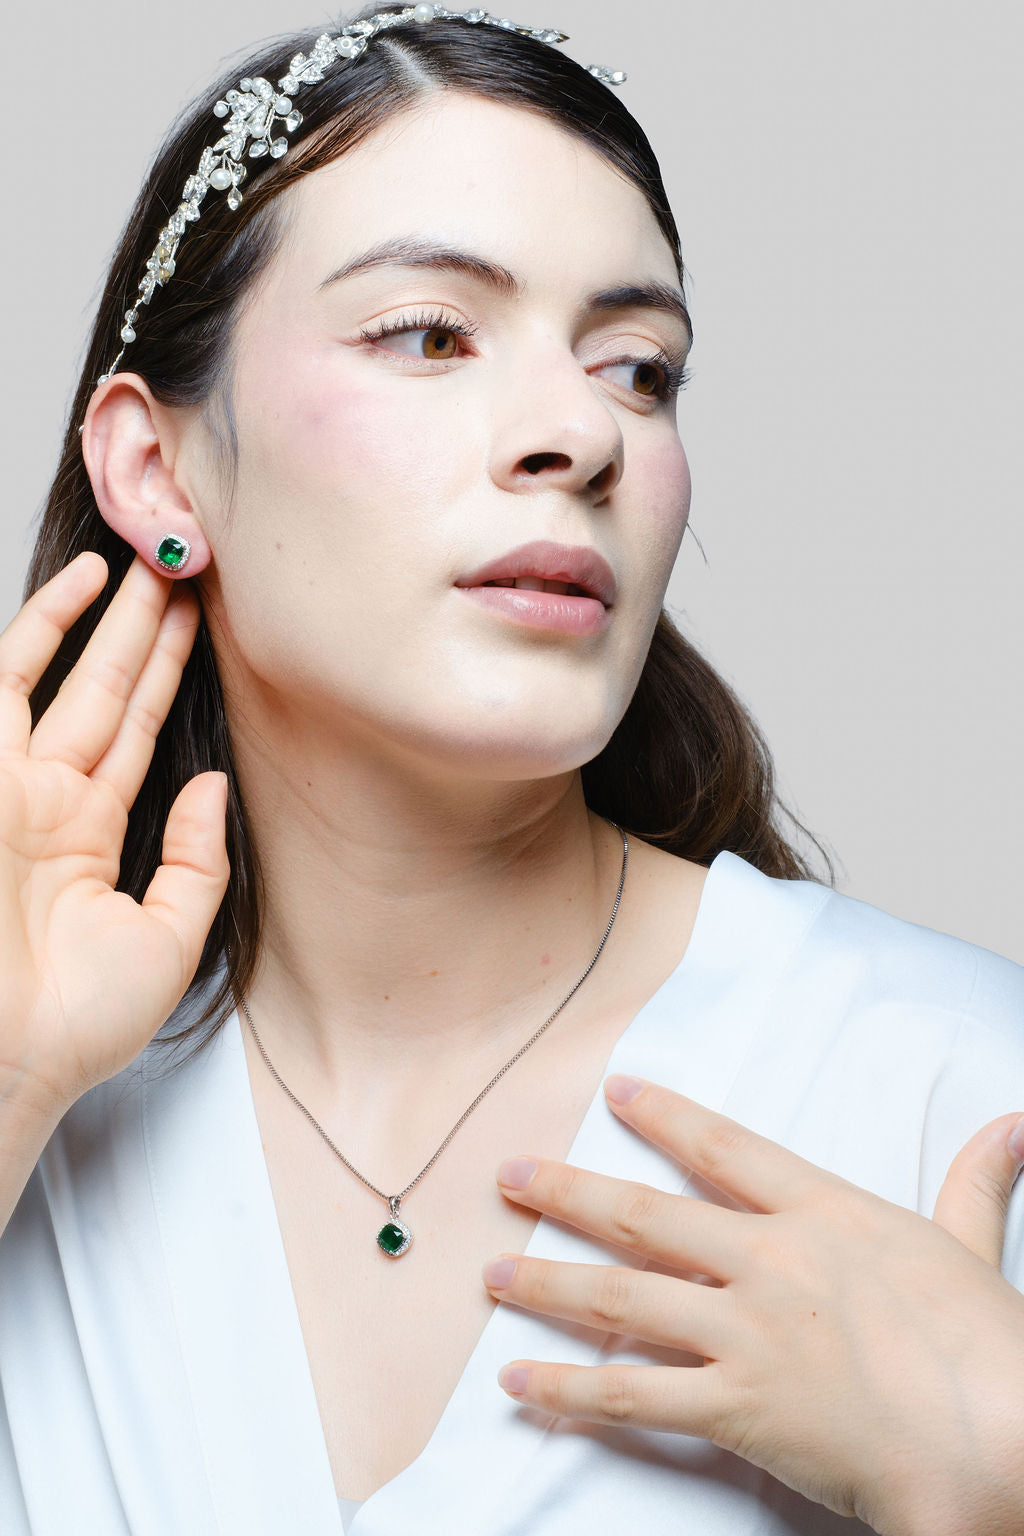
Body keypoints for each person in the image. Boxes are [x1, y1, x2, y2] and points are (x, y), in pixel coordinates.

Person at [1, 6, 1022, 1534]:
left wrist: (1000, 1470)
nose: (579, 433)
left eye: (639, 368)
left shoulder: (949, 1082)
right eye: (430, 334)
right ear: (158, 469)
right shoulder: (43, 1095)